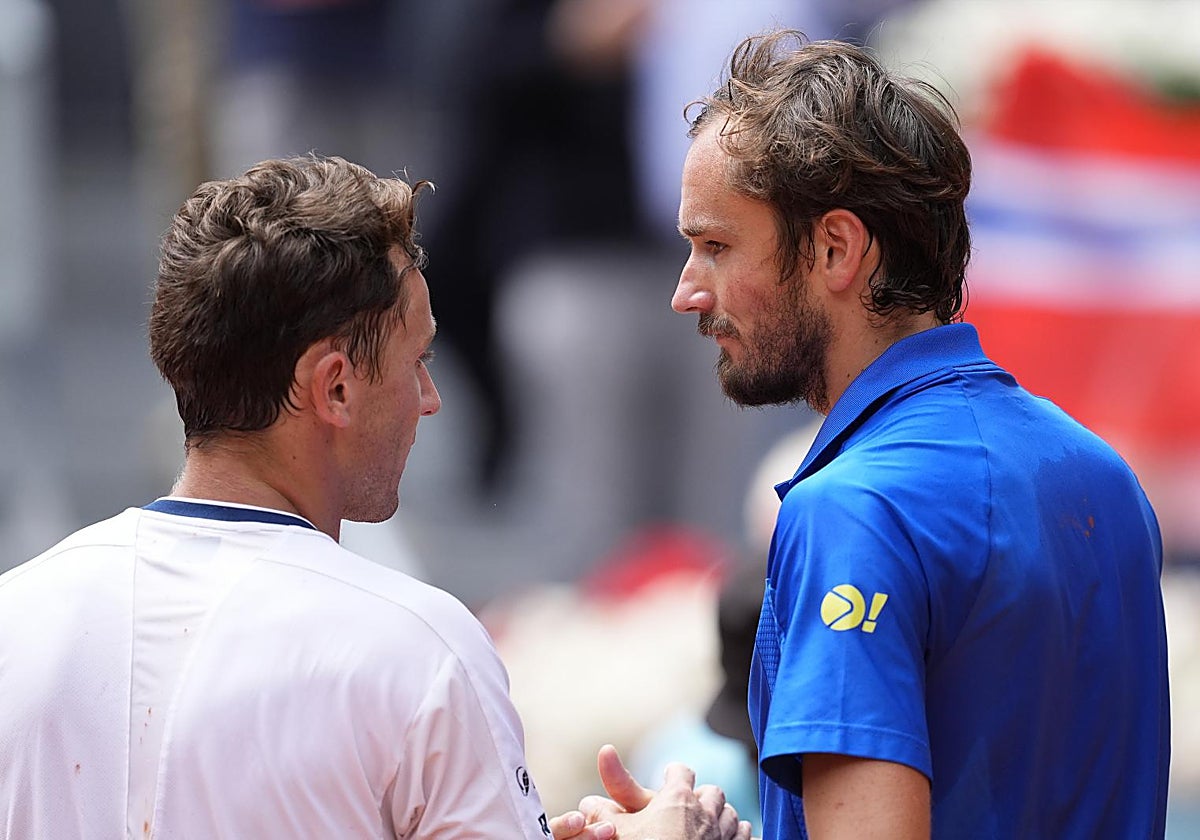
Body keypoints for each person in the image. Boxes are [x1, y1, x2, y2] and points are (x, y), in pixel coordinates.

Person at [0, 155, 750, 840]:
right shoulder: (418, 646)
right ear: (334, 386)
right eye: (415, 359)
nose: (429, 398)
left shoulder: (16, 614)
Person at [656, 30, 1170, 839]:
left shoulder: (852, 509)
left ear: (836, 248)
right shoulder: (1104, 476)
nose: (688, 292)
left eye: (716, 246)